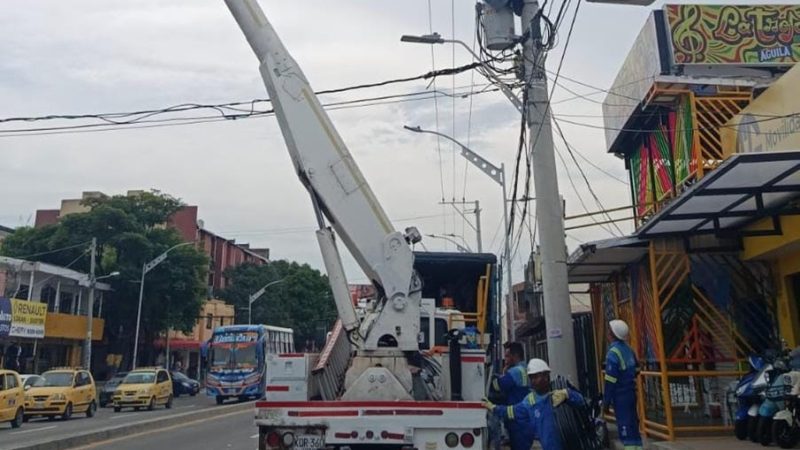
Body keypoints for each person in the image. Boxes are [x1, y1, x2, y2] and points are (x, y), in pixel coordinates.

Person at [484, 358, 585, 450]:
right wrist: (494, 408)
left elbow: (582, 403)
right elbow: (512, 412)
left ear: (546, 376)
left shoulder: (560, 392)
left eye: (536, 377)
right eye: (531, 378)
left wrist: (568, 394)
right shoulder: (530, 401)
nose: (533, 381)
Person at [604, 319, 642, 450]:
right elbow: (637, 369)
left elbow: (610, 381)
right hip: (631, 392)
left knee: (625, 429)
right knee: (634, 428)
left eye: (609, 331)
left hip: (620, 395)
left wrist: (606, 402)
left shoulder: (613, 353)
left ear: (612, 334)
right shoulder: (628, 349)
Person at [488, 342, 533, 450]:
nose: (505, 359)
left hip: (518, 420)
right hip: (524, 418)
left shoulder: (515, 371)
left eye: (507, 356)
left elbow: (497, 386)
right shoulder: (525, 368)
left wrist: (494, 377)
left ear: (515, 356)